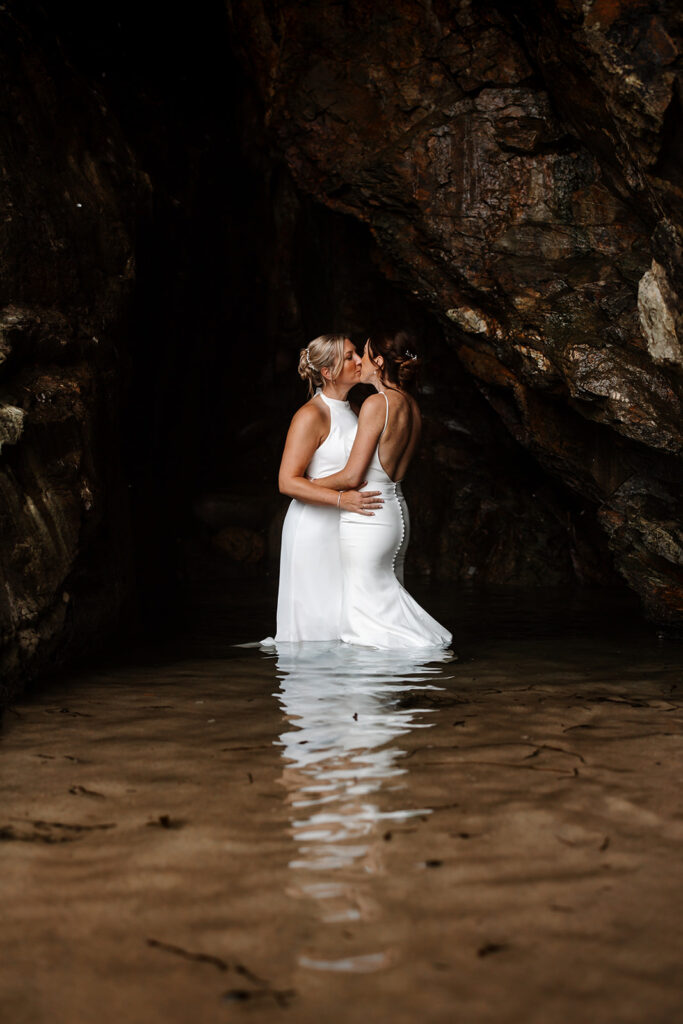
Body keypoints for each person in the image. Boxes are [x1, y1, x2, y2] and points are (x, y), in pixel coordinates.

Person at [311, 331, 452, 649]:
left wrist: (306, 486)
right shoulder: (412, 406)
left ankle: (399, 671)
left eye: (363, 353)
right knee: (384, 606)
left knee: (365, 619)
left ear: (378, 362)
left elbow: (351, 477)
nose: (358, 360)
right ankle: (394, 686)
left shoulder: (377, 404)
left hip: (369, 514)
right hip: (396, 512)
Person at [272, 334, 384, 642]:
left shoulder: (356, 410)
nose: (360, 360)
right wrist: (340, 500)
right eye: (350, 357)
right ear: (328, 372)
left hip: (346, 524)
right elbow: (287, 481)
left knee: (344, 617)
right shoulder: (311, 414)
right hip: (315, 526)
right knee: (317, 620)